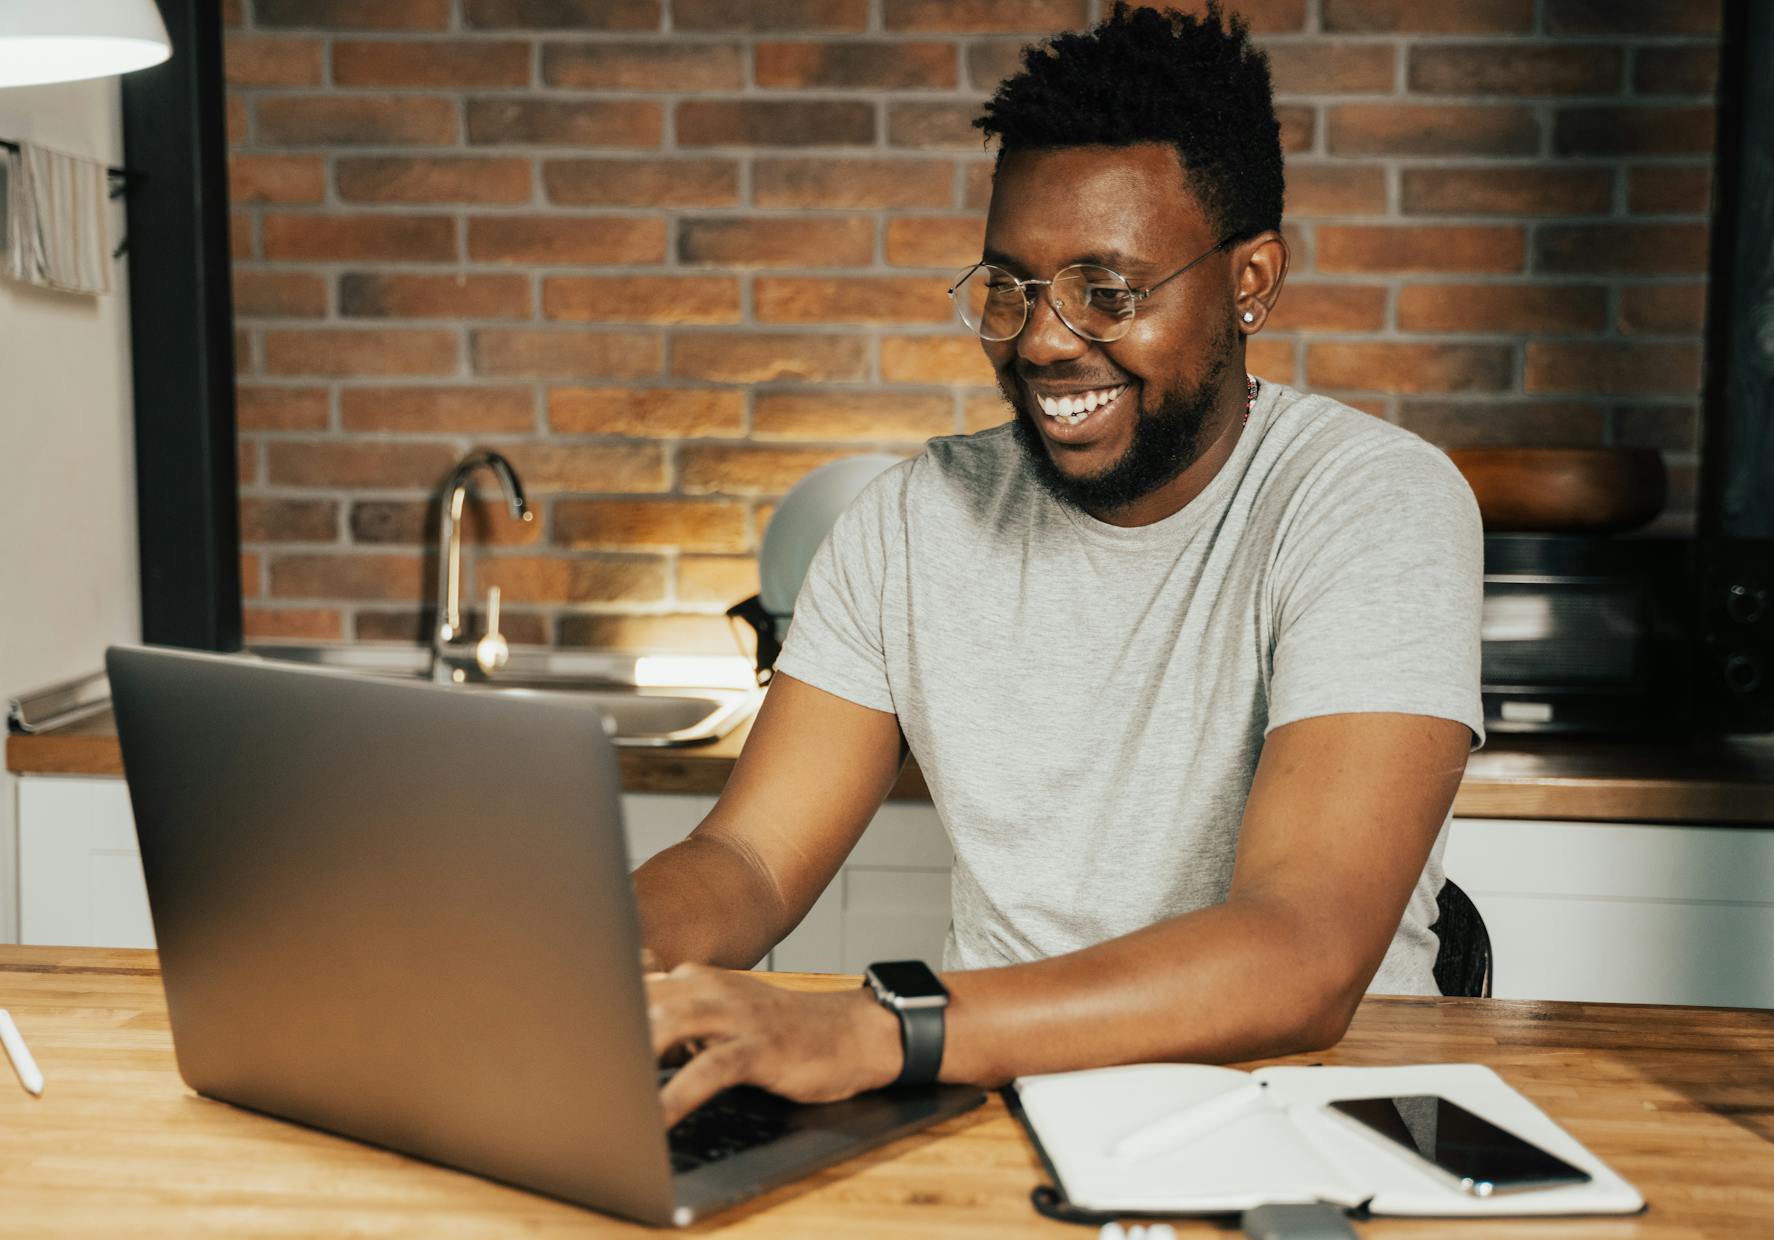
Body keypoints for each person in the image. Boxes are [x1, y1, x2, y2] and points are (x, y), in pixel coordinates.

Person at [635, 1, 1483, 1126]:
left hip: (1306, 1115)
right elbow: (746, 856)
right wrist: (579, 954)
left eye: (1107, 291)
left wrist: (882, 1028)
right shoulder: (909, 521)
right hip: (989, 1102)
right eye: (1012, 286)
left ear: (1251, 281)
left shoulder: (1370, 502)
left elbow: (1303, 953)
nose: (1040, 339)